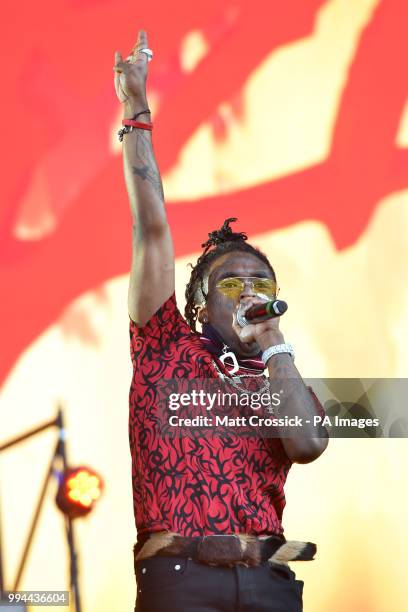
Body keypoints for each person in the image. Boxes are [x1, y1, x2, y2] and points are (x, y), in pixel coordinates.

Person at [114, 29, 329, 612]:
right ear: (200, 305)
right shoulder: (164, 346)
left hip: (271, 579)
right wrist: (135, 106)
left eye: (263, 285)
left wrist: (274, 344)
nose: (250, 293)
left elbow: (308, 444)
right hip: (182, 577)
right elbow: (151, 228)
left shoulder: (280, 382)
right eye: (233, 284)